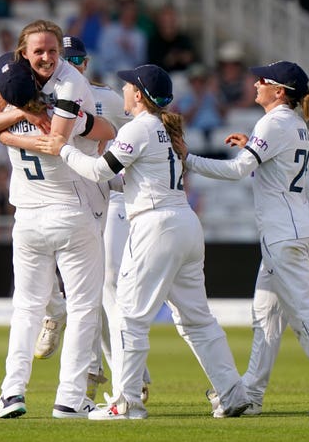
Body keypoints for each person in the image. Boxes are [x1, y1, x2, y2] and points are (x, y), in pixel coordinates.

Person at [35, 64, 252, 420]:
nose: (122, 90)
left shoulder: (138, 127)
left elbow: (98, 170)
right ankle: (231, 393)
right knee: (198, 319)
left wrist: (63, 149)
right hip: (184, 223)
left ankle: (127, 402)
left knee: (130, 318)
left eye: (127, 86)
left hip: (155, 226)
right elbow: (129, 180)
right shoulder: (161, 129)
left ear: (138, 94)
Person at [176, 60, 309, 416]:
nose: (255, 83)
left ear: (280, 92)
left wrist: (188, 159)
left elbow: (235, 170)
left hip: (284, 234)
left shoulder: (274, 122)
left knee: (306, 316)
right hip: (293, 228)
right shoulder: (294, 123)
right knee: (265, 315)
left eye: (264, 80)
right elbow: (269, 169)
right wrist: (251, 148)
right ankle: (251, 395)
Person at [0, 19, 114, 420]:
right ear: (23, 52)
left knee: (29, 309)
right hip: (62, 212)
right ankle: (61, 398)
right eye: (39, 50)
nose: (48, 58)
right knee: (79, 307)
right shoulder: (21, 81)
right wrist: (18, 121)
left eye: (53, 50)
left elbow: (45, 137)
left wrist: (8, 131)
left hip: (36, 215)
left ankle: (15, 394)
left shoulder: (64, 82)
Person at [33, 35, 153, 403]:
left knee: (104, 289)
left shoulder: (110, 98)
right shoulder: (37, 97)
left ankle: (116, 375)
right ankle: (64, 329)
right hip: (59, 197)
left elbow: (133, 134)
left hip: (105, 198)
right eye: (67, 58)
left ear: (85, 62)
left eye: (77, 58)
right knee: (75, 285)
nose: (73, 64)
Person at [175, 62, 225, 150]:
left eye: (201, 81)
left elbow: (223, 115)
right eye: (194, 81)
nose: (198, 84)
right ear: (190, 82)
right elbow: (186, 120)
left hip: (216, 130)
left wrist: (216, 96)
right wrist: (197, 102)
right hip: (197, 132)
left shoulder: (213, 95)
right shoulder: (186, 98)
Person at [146, 4, 196, 73]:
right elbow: (151, 66)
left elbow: (193, 59)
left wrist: (184, 57)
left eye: (171, 20)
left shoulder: (184, 39)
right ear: (160, 22)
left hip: (185, 76)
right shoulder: (154, 41)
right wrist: (167, 61)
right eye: (166, 21)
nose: (168, 24)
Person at [215, 40, 257, 113]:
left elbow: (249, 101)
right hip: (222, 116)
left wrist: (230, 107)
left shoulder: (248, 79)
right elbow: (213, 100)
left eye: (235, 63)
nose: (230, 67)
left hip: (245, 114)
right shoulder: (216, 79)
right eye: (225, 64)